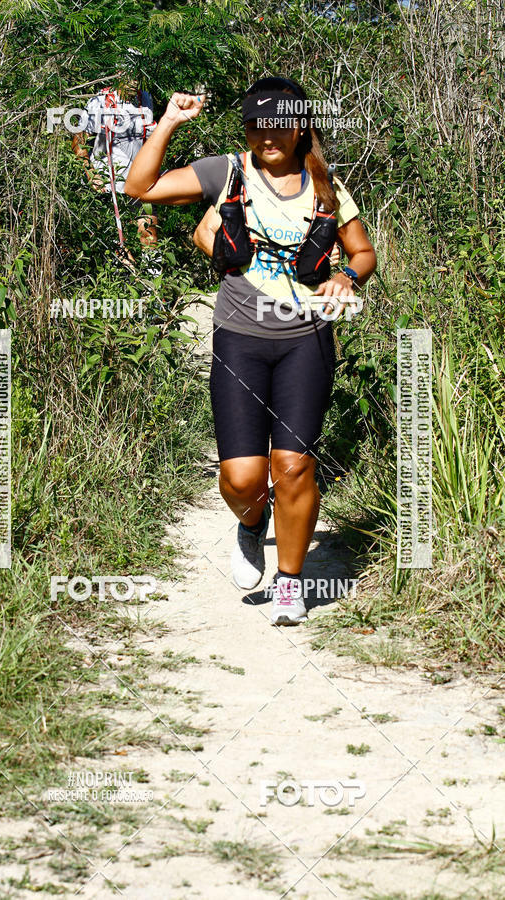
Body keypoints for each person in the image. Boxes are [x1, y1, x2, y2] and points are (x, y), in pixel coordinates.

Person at [124, 76, 377, 625]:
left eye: (280, 123)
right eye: (259, 123)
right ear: (248, 127)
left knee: (293, 465)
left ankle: (290, 584)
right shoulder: (228, 171)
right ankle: (250, 521)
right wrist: (167, 121)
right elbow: (139, 188)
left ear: (301, 126)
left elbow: (362, 251)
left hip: (306, 341)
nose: (269, 135)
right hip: (239, 339)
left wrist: (346, 278)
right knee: (242, 478)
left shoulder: (325, 183)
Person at [71, 79, 160, 268]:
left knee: (149, 232)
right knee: (115, 240)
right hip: (107, 181)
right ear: (120, 73)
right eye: (131, 75)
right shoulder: (100, 101)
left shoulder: (145, 98)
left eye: (139, 75)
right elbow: (79, 139)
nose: (135, 82)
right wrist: (90, 172)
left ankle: (154, 287)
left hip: (139, 180)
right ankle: (130, 282)